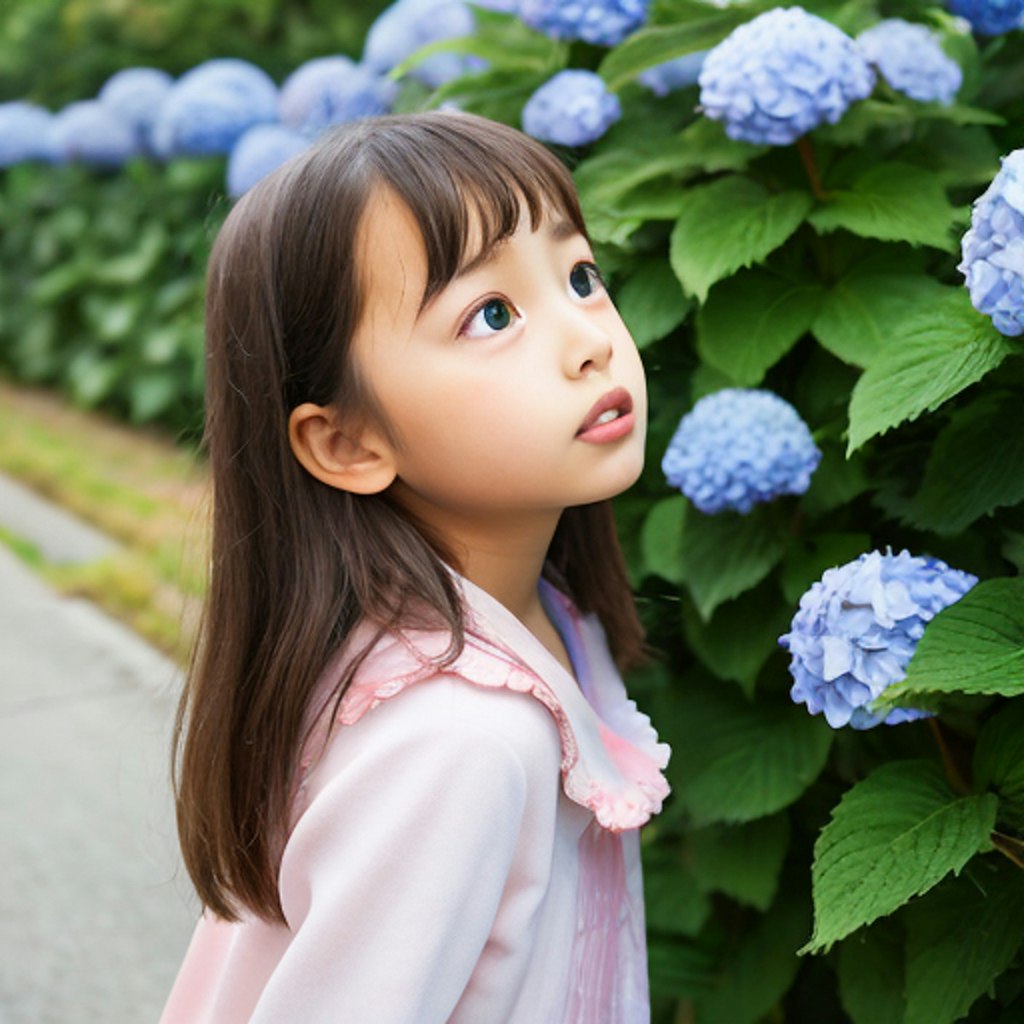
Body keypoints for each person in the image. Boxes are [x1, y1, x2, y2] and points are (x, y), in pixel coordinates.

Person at [161, 110, 670, 1023]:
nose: (589, 338)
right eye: (493, 314)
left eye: (581, 276)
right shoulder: (457, 740)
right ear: (348, 442)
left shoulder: (535, 619)